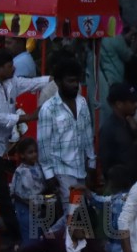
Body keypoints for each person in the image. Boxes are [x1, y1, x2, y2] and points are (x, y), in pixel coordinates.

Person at [0, 47, 51, 239]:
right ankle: (15, 237)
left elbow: (32, 84)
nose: (13, 69)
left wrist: (53, 79)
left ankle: (1, 233)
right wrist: (29, 117)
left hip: (1, 145)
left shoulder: (10, 82)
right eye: (9, 66)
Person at [37, 57, 94, 198]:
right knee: (73, 215)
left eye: (77, 81)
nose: (75, 85)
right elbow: (43, 145)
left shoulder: (83, 103)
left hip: (81, 169)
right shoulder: (48, 108)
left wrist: (92, 164)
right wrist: (49, 175)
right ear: (58, 82)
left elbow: (88, 136)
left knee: (80, 214)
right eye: (70, 81)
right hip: (61, 171)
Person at [99, 84, 137, 182]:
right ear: (119, 104)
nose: (136, 105)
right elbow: (107, 164)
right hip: (121, 188)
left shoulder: (128, 123)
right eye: (132, 102)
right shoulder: (109, 129)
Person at [9, 137, 49, 242]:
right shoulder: (20, 171)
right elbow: (15, 193)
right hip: (25, 207)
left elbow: (41, 187)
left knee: (39, 234)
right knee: (29, 236)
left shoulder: (39, 167)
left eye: (35, 151)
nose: (34, 154)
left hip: (38, 206)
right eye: (30, 152)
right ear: (22, 155)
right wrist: (28, 204)